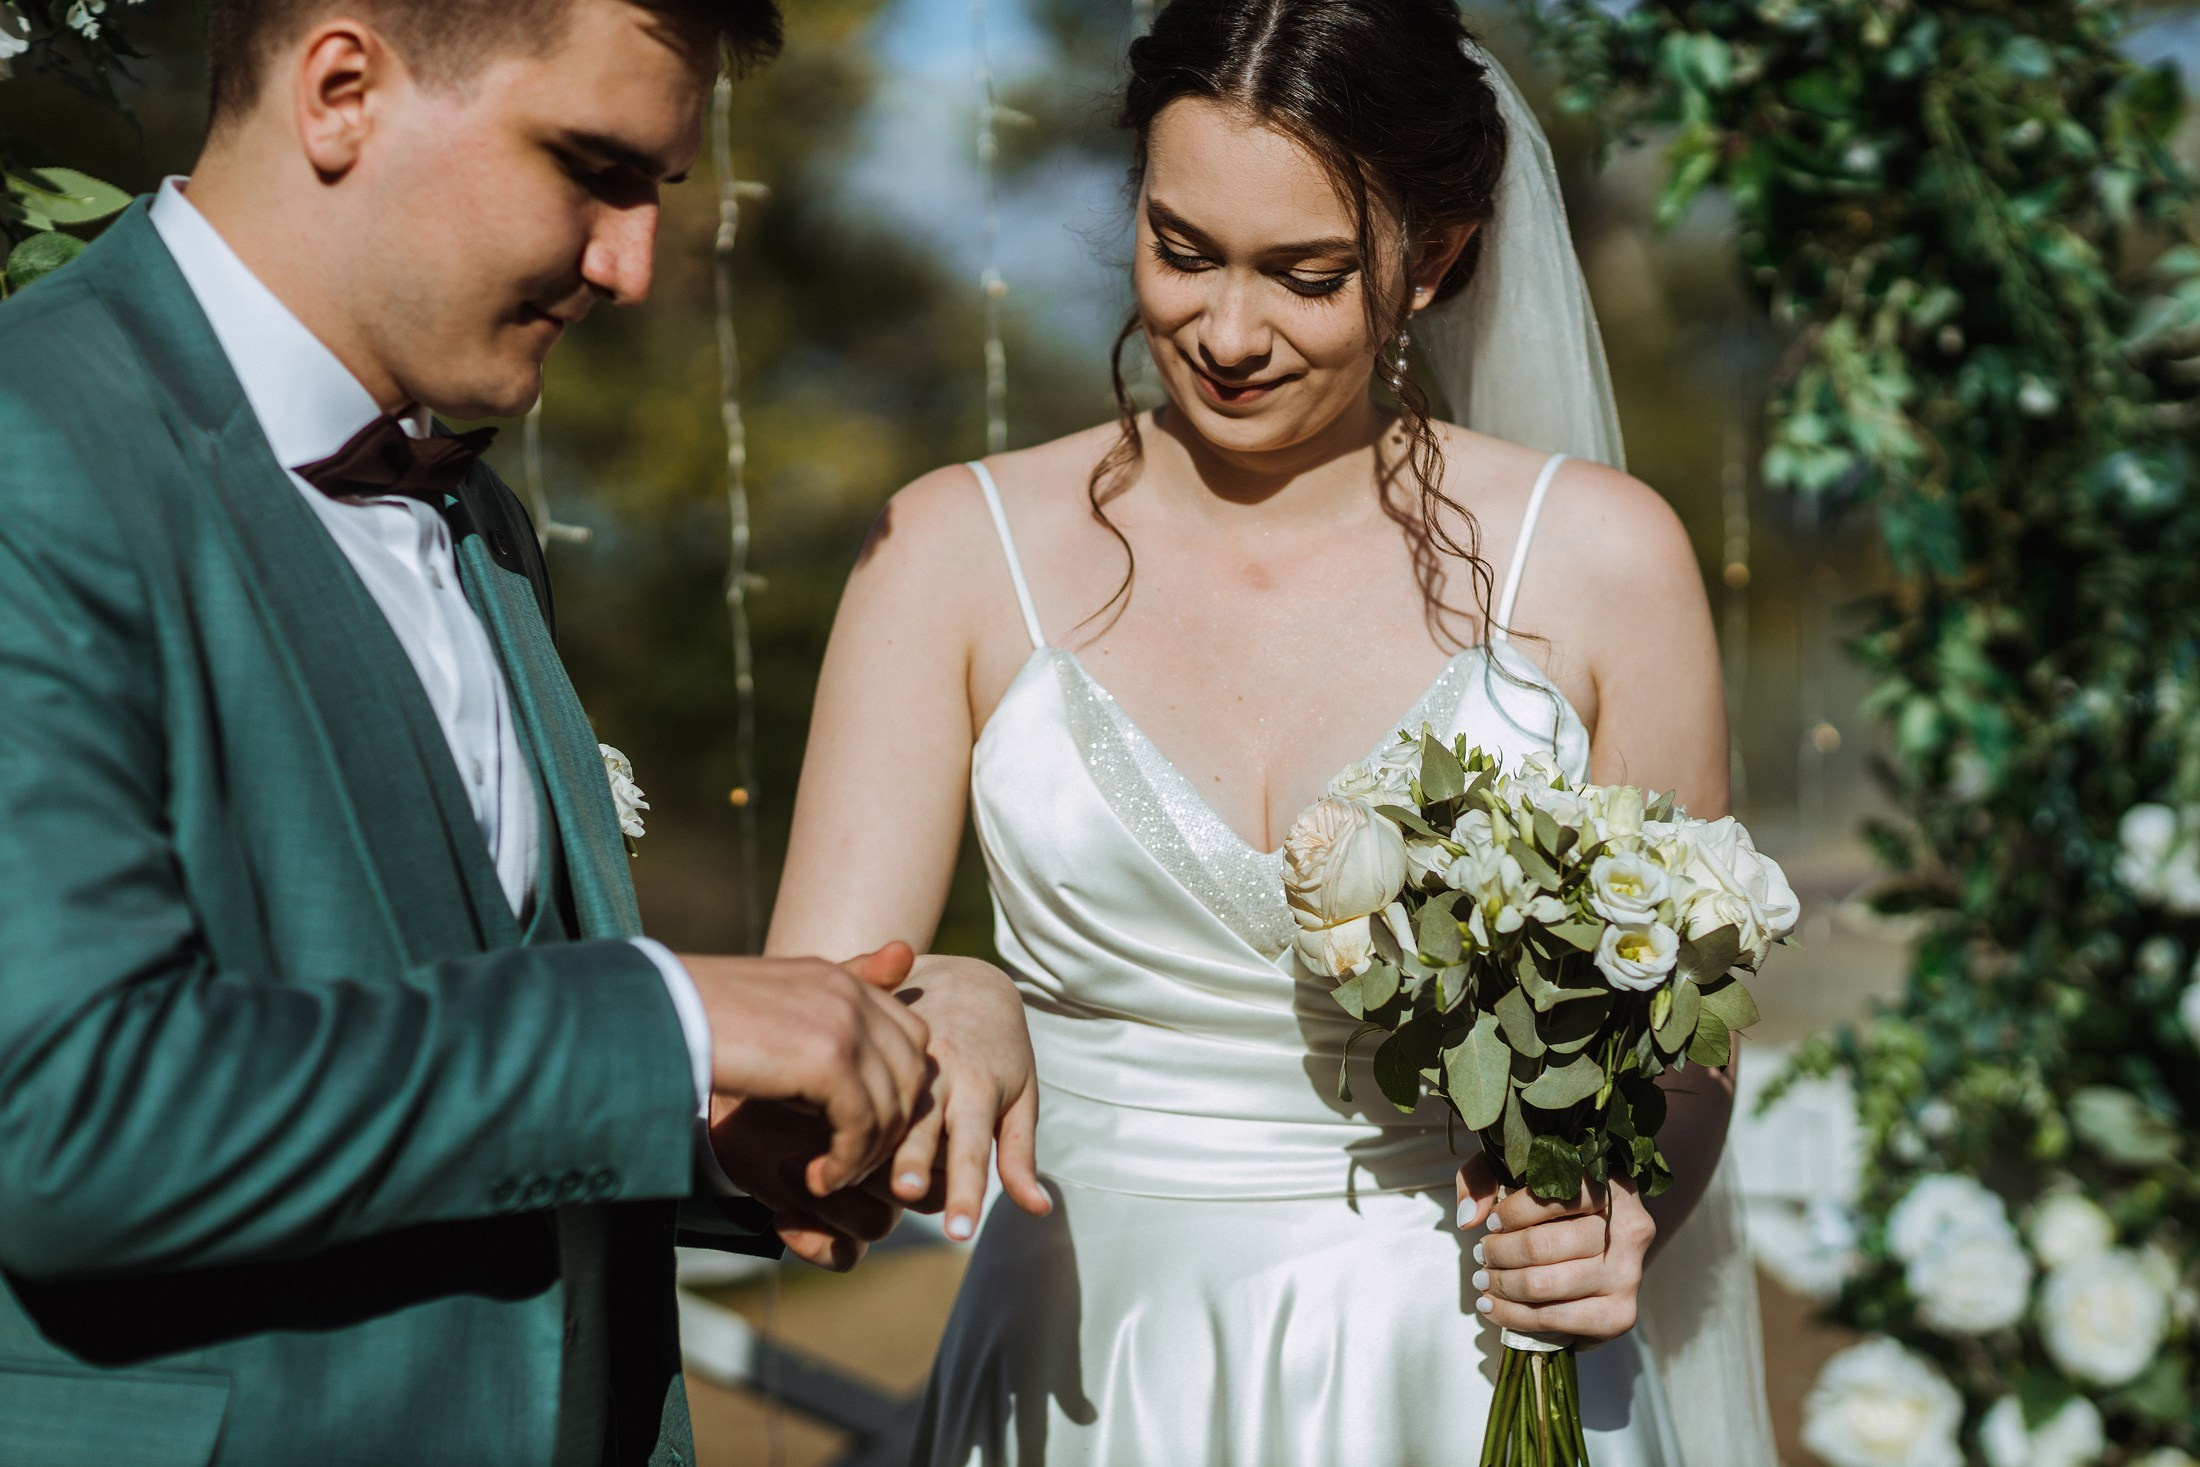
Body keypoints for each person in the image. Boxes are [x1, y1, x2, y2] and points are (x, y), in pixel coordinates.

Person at [0, 2, 1034, 1462]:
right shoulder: (31, 448)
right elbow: (67, 1118)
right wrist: (670, 1022)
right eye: (593, 169)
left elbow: (438, 1056)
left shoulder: (477, 517)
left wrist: (726, 1118)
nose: (631, 265)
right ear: (342, 91)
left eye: (654, 192)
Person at [769, 1, 1777, 1462]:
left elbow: (1686, 1040)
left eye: (1307, 278)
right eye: (1182, 251)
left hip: (1463, 1373)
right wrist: (945, 993)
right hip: (1089, 1372)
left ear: (1438, 258)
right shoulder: (948, 551)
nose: (1228, 335)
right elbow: (811, 1023)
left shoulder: (1603, 560)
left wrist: (1620, 1211)